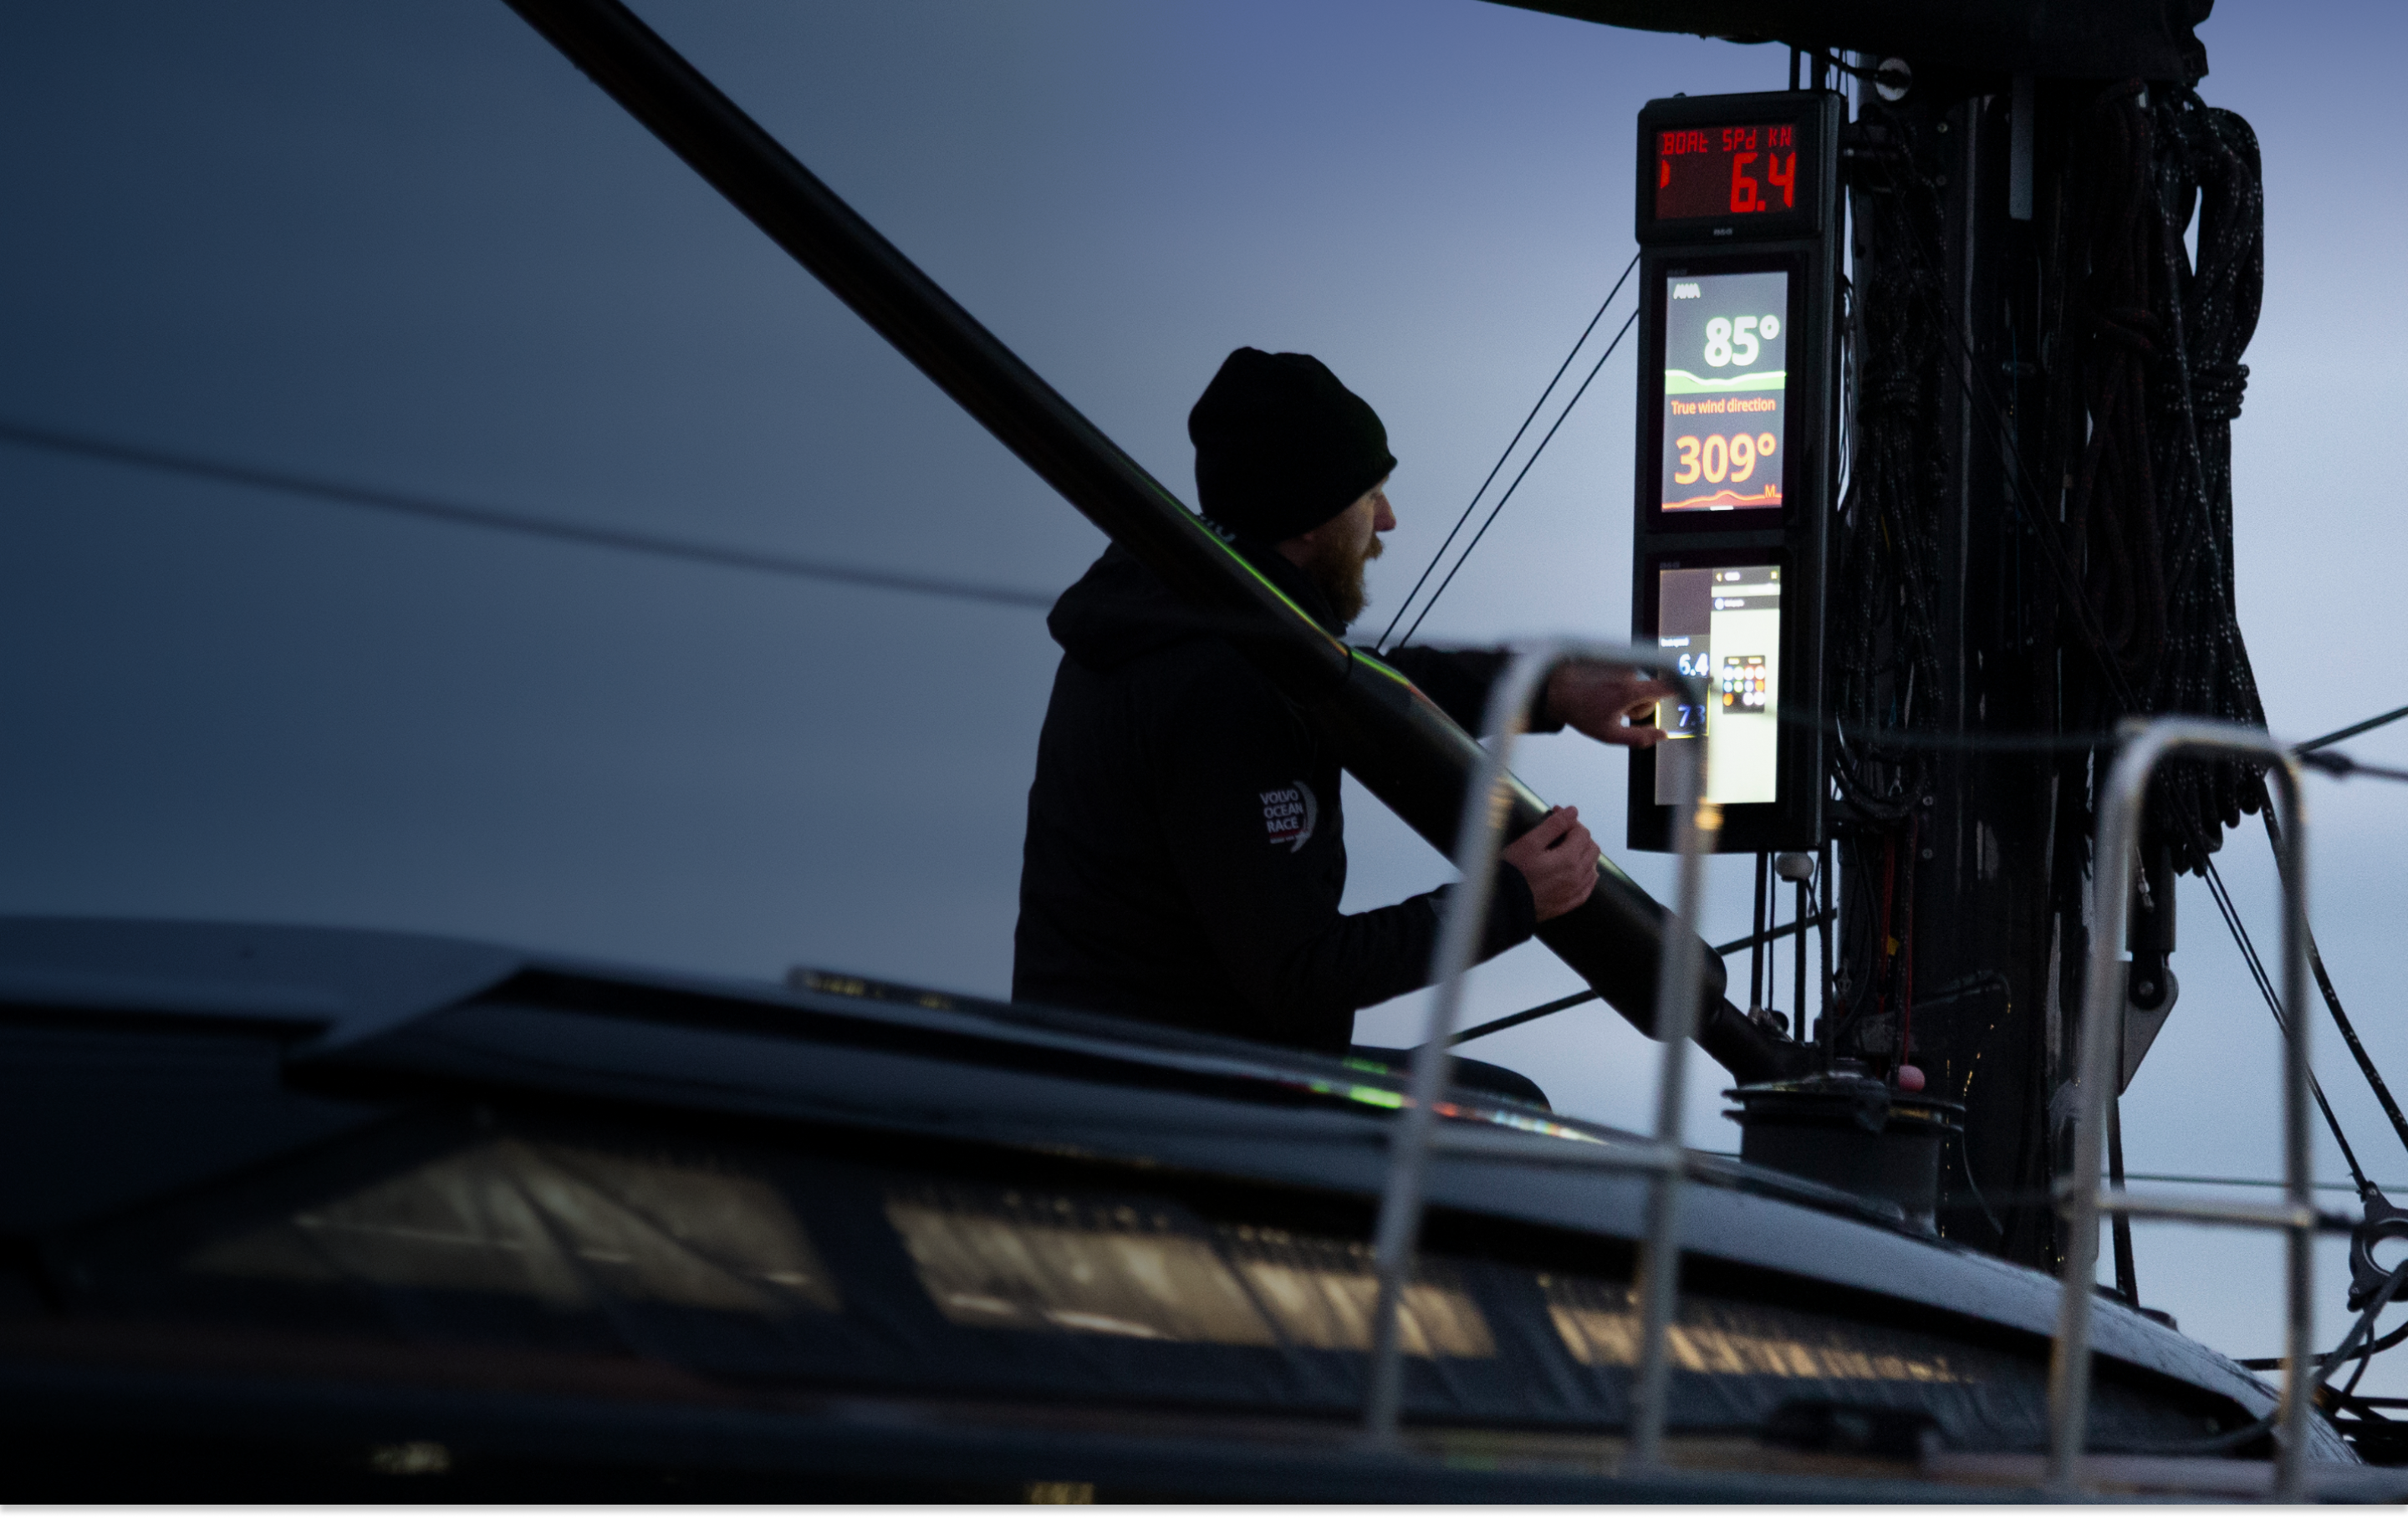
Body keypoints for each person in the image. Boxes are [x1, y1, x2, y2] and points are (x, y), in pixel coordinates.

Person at [1013, 348, 1668, 1093]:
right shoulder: (1220, 686)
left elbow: (1366, 688)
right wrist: (1511, 900)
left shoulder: (1205, 618)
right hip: (1173, 1105)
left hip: (1135, 1071)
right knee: (1505, 1118)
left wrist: (1551, 691)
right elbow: (1298, 974)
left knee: (1498, 1106)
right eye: (1370, 495)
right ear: (1309, 516)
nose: (1387, 519)